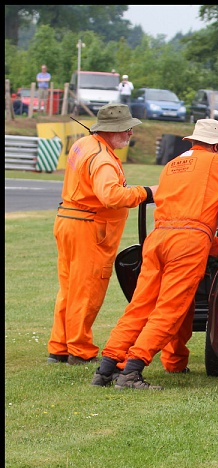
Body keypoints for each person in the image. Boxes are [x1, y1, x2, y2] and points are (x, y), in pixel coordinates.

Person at [91, 119, 218, 390]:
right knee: (170, 310)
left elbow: (185, 214)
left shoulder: (172, 165)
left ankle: (107, 367)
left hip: (158, 238)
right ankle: (133, 370)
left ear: (194, 141)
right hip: (188, 243)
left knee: (140, 306)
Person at [48, 104, 157, 366]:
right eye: (127, 129)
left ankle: (59, 347)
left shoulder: (84, 144)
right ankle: (80, 350)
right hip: (90, 228)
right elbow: (111, 196)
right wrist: (148, 192)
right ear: (112, 130)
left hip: (69, 221)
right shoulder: (104, 159)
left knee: (69, 289)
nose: (130, 134)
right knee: (87, 291)